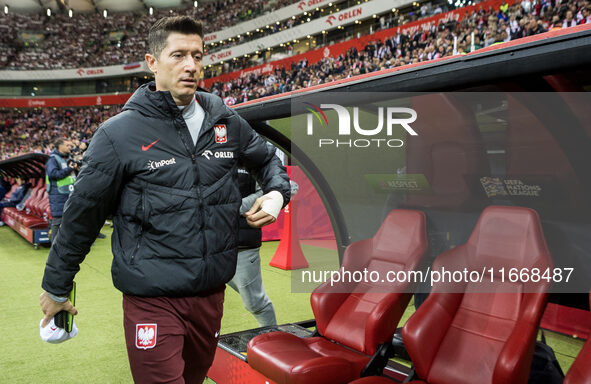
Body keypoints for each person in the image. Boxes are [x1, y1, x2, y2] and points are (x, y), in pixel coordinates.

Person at [39, 16, 290, 384]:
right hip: (152, 300)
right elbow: (81, 218)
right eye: (178, 55)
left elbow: (268, 159)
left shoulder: (223, 119)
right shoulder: (117, 134)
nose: (190, 65)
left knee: (194, 379)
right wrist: (56, 287)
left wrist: (276, 193)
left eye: (197, 55)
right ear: (152, 62)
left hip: (210, 295)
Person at [227, 167, 277, 327]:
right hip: (204, 245)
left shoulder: (251, 156)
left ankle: (272, 339)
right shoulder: (200, 155)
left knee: (255, 303)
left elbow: (266, 193)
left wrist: (230, 207)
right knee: (201, 301)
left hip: (242, 245)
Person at [45, 138, 77, 243]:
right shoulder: (52, 159)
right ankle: (54, 246)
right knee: (58, 221)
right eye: (67, 145)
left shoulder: (69, 158)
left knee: (71, 221)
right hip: (58, 195)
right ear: (60, 146)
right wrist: (69, 169)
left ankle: (67, 244)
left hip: (69, 194)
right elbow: (53, 174)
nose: (70, 147)